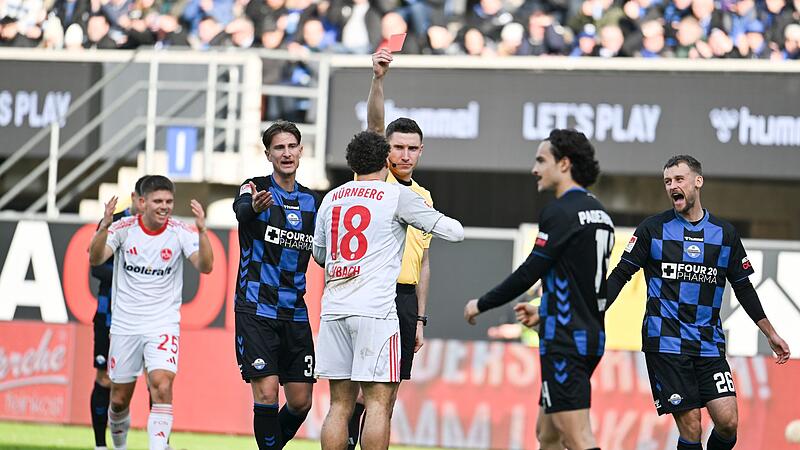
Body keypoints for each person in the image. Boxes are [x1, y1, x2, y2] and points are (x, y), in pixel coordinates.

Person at [604, 155, 791, 450]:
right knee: (692, 425)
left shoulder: (724, 234)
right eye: (667, 181)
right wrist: (594, 311)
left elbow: (743, 287)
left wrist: (770, 332)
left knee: (728, 423)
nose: (672, 186)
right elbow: (620, 275)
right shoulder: (652, 229)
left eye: (679, 179)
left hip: (708, 343)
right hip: (665, 343)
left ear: (697, 182)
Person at [313, 131, 464, 450]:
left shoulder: (332, 198)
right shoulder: (397, 197)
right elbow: (454, 233)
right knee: (378, 404)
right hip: (376, 312)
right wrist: (426, 220)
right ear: (385, 160)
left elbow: (320, 255)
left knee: (339, 405)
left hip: (334, 311)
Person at [464, 129, 613, 450]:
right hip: (588, 335)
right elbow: (580, 282)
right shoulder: (600, 214)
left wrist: (482, 304)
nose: (535, 169)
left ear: (564, 164)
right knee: (547, 435)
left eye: (541, 160)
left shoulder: (559, 212)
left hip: (566, 340)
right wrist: (544, 311)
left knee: (577, 436)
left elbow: (530, 271)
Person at [345, 48, 436, 450]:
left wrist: (420, 319)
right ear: (387, 151)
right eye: (397, 147)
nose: (404, 154)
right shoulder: (377, 184)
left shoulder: (424, 198)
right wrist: (378, 80)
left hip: (402, 302)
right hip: (368, 295)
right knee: (359, 395)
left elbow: (424, 262)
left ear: (420, 151)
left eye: (412, 148)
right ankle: (348, 438)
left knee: (389, 396)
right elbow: (375, 124)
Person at [88, 175, 213, 450]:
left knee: (162, 385)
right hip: (125, 325)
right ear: (142, 202)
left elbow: (205, 266)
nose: (164, 206)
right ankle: (118, 446)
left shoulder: (180, 231)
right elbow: (96, 259)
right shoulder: (123, 228)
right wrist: (104, 227)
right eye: (158, 201)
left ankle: (158, 447)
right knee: (119, 398)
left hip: (162, 324)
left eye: (169, 201)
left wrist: (203, 232)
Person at [232, 121, 318, 450]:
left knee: (300, 402)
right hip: (256, 309)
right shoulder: (254, 188)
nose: (286, 153)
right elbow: (242, 210)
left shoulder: (313, 202)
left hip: (295, 313)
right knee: (267, 393)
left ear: (300, 151)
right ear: (268, 154)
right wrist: (253, 208)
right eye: (278, 148)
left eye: (291, 146)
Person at [89, 175, 148, 450]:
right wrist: (129, 274)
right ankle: (101, 445)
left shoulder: (161, 229)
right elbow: (96, 266)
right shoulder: (115, 224)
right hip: (110, 315)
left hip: (147, 318)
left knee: (156, 379)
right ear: (136, 198)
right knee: (104, 378)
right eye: (145, 198)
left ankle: (162, 442)